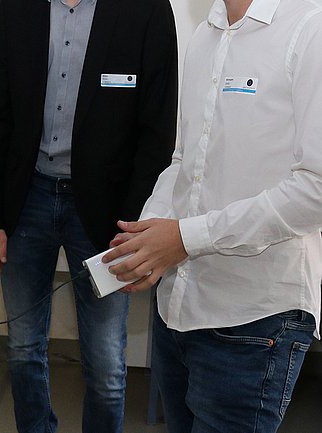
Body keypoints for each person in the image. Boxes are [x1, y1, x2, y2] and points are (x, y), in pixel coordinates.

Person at [105, 0, 322, 432]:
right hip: (179, 308)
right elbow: (184, 160)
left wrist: (186, 239)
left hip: (255, 318)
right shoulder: (205, 35)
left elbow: (315, 190)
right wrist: (149, 233)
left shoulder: (310, 28)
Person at [0, 0, 178, 431]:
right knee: (23, 350)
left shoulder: (147, 10)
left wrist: (137, 222)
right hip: (26, 200)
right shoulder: (16, 8)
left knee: (106, 367)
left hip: (109, 213)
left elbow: (157, 131)